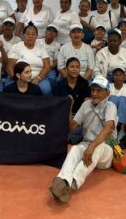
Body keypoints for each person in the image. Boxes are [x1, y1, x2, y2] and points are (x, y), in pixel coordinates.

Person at [49, 76, 117, 204]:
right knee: (75, 149)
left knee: (98, 147)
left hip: (106, 150)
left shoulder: (110, 106)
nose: (94, 93)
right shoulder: (86, 105)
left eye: (99, 90)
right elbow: (72, 127)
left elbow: (109, 128)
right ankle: (63, 181)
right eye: (93, 90)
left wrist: (92, 146)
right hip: (88, 146)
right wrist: (70, 107)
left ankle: (70, 184)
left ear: (107, 93)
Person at [8, 23, 52, 96]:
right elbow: (9, 66)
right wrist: (18, 79)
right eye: (28, 34)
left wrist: (38, 78)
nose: (30, 36)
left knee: (46, 90)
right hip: (19, 78)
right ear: (23, 35)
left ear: (37, 36)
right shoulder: (16, 47)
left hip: (38, 77)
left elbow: (47, 66)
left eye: (33, 34)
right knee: (10, 91)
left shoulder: (41, 48)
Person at [109, 68, 126, 140]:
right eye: (116, 75)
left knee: (123, 99)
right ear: (112, 77)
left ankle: (122, 129)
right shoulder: (109, 86)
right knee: (113, 98)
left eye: (120, 75)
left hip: (124, 113)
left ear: (124, 77)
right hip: (111, 113)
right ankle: (111, 129)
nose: (118, 77)